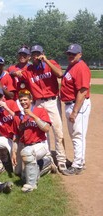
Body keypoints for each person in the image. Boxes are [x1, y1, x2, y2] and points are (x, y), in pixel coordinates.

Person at [12, 45, 67, 173]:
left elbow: (59, 74)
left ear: (43, 53)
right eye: (34, 53)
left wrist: (46, 60)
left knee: (58, 132)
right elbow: (14, 73)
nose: (36, 56)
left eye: (38, 53)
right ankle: (48, 160)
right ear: (31, 56)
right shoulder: (29, 69)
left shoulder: (50, 63)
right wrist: (15, 72)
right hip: (38, 103)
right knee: (43, 133)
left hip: (52, 101)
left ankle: (62, 161)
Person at [12, 89, 56, 192]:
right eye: (21, 100)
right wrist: (13, 152)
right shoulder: (19, 116)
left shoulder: (40, 111)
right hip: (26, 146)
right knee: (22, 176)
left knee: (27, 153)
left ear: (31, 100)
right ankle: (46, 164)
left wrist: (33, 115)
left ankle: (31, 185)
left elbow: (46, 128)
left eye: (25, 100)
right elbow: (16, 137)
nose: (23, 102)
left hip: (40, 145)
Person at [59, 44, 91, 176]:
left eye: (74, 54)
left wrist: (75, 111)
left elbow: (83, 91)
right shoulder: (73, 65)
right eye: (69, 53)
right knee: (75, 135)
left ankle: (77, 165)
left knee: (78, 135)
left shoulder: (81, 67)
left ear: (80, 54)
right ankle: (79, 161)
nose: (70, 56)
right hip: (70, 104)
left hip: (77, 106)